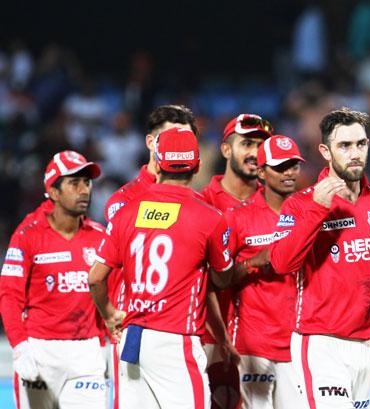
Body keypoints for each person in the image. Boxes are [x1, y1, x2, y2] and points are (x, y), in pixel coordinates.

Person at [268, 107, 370, 408]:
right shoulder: (300, 205)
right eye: (344, 146)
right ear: (325, 151)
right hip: (320, 344)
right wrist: (318, 209)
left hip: (366, 346)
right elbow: (281, 263)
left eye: (361, 144)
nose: (355, 153)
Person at [88, 127, 234, 408]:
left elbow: (95, 278)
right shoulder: (210, 217)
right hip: (176, 341)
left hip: (132, 339)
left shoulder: (127, 212)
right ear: (197, 165)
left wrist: (108, 315)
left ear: (158, 160)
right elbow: (223, 278)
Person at [0, 150, 106, 408]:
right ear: (54, 191)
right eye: (74, 183)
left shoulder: (100, 236)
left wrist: (109, 345)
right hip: (40, 352)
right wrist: (21, 346)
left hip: (86, 353)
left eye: (87, 182)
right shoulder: (27, 234)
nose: (84, 190)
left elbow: (111, 296)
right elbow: (10, 295)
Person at [223, 135, 305, 408]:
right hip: (253, 342)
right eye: (280, 167)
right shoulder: (238, 218)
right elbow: (217, 279)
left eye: (293, 165)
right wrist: (253, 262)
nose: (289, 173)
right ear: (260, 172)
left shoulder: (310, 215)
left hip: (298, 342)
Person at [200, 113, 274, 407]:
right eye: (247, 143)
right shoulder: (203, 204)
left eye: (261, 145)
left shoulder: (279, 204)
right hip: (210, 340)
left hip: (263, 341)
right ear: (226, 149)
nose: (256, 153)